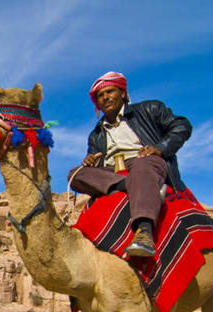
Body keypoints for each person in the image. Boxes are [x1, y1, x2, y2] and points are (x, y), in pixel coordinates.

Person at [67, 72, 192, 257]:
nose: (105, 98)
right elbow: (93, 159)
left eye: (110, 92)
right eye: (100, 95)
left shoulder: (149, 109)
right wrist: (89, 161)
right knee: (75, 174)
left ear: (123, 94)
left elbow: (182, 125)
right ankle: (134, 185)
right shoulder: (96, 134)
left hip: (145, 160)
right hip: (112, 172)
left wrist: (160, 148)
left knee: (143, 166)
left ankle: (144, 231)